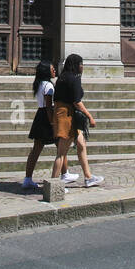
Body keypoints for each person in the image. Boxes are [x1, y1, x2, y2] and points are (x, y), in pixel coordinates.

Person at [50, 54, 103, 187]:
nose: (82, 67)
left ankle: (88, 177)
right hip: (66, 116)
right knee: (61, 153)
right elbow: (77, 102)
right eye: (81, 64)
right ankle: (53, 185)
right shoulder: (73, 79)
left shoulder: (62, 78)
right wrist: (90, 116)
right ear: (76, 65)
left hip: (62, 113)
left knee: (81, 144)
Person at [22, 61, 56, 189]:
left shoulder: (39, 84)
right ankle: (63, 175)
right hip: (47, 117)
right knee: (61, 148)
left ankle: (28, 177)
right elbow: (49, 106)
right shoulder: (48, 86)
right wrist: (52, 122)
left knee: (36, 149)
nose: (54, 71)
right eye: (52, 69)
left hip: (39, 116)